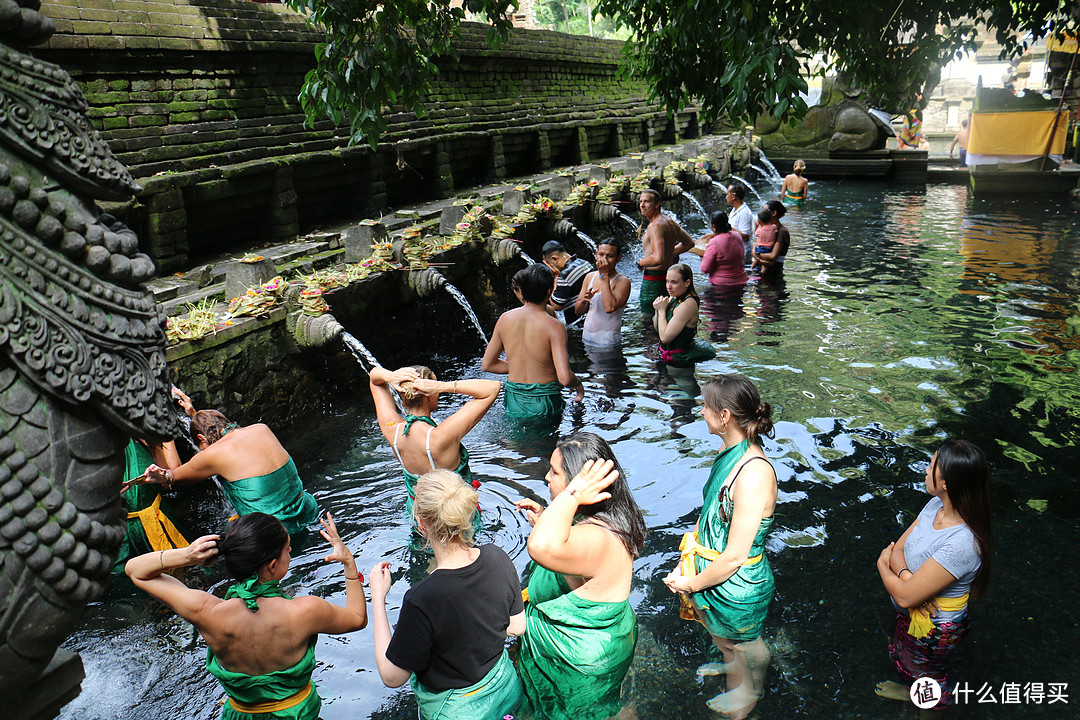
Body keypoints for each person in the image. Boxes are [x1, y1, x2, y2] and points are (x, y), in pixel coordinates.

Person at [125, 512, 368, 720]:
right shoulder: (307, 611)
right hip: (297, 714)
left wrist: (187, 556)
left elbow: (136, 571)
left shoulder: (206, 611)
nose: (290, 554)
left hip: (240, 714)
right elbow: (357, 618)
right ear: (273, 565)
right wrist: (348, 561)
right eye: (288, 550)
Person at [663, 374, 777, 718]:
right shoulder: (729, 450)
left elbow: (736, 555)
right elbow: (711, 510)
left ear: (724, 416)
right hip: (714, 569)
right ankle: (733, 666)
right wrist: (688, 560)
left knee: (743, 642)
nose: (701, 411)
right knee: (724, 640)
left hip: (738, 584)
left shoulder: (754, 473)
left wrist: (692, 583)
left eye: (706, 406)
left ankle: (749, 692)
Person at [369, 470, 525, 719]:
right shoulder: (498, 556)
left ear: (421, 524)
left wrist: (378, 597)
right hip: (506, 692)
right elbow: (517, 626)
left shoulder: (421, 598)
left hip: (458, 712)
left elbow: (392, 676)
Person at [514, 432, 647, 720]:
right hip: (600, 646)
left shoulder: (596, 538)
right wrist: (549, 518)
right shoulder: (608, 519)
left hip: (579, 661)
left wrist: (571, 495)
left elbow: (540, 547)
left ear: (579, 482)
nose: (547, 477)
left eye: (555, 472)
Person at [874, 439, 994, 711]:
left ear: (947, 483)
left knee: (928, 676)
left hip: (935, 627)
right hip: (918, 615)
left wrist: (883, 566)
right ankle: (912, 689)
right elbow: (899, 548)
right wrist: (907, 579)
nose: (926, 471)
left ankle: (929, 705)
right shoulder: (934, 507)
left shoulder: (961, 543)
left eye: (932, 466)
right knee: (908, 661)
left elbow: (904, 596)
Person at [368, 365, 499, 536]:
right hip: (455, 516)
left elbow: (375, 379)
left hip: (420, 517)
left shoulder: (393, 431)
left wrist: (391, 376)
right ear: (430, 394)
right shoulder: (441, 436)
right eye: (435, 388)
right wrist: (445, 386)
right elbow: (492, 387)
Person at [145, 410, 318, 535]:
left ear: (201, 439)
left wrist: (163, 437)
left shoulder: (213, 454)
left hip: (273, 532)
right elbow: (218, 435)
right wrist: (193, 414)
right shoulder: (261, 429)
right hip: (308, 511)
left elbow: (174, 475)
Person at [482, 263, 584, 422]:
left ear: (522, 291)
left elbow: (488, 364)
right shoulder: (555, 327)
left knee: (519, 444)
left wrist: (522, 365)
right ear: (549, 291)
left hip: (513, 398)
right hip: (544, 401)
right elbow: (564, 378)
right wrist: (578, 383)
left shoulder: (505, 319)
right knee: (547, 446)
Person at [115, 437, 190, 570]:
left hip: (158, 519)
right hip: (119, 533)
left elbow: (173, 474)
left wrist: (162, 476)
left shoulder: (141, 434)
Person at [636, 188, 694, 317]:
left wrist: (640, 262)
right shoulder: (669, 222)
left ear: (657, 204)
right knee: (664, 316)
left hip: (653, 281)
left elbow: (657, 258)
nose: (642, 205)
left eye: (646, 202)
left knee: (648, 320)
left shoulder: (655, 226)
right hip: (667, 279)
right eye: (641, 201)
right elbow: (689, 243)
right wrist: (669, 252)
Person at [653, 263, 716, 367]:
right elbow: (658, 330)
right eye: (667, 281)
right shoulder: (674, 298)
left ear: (687, 282)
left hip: (681, 360)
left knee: (684, 383)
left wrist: (661, 312)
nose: (669, 286)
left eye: (674, 282)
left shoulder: (687, 305)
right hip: (666, 356)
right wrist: (657, 309)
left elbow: (665, 338)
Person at [574, 239, 631, 347]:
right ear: (596, 255)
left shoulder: (623, 282)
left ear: (618, 258)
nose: (604, 260)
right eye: (601, 255)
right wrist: (584, 300)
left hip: (608, 341)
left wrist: (604, 276)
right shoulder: (589, 277)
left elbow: (609, 308)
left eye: (609, 256)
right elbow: (577, 311)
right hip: (587, 337)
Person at [542, 240, 594, 325]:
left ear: (554, 259)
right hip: (593, 314)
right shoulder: (584, 262)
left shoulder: (564, 276)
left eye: (547, 263)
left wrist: (556, 277)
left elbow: (556, 306)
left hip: (579, 323)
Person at [695, 211, 749, 288]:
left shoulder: (713, 243)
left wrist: (701, 256)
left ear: (713, 226)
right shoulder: (737, 236)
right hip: (742, 280)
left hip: (721, 286)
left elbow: (705, 269)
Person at [752, 200, 790, 275]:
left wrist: (758, 255)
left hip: (773, 273)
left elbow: (773, 256)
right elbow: (753, 249)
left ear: (774, 213)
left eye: (765, 210)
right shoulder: (764, 228)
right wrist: (760, 258)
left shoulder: (782, 232)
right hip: (761, 269)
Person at [725, 183, 754, 259]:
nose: (726, 197)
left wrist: (727, 228)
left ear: (733, 196)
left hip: (743, 252)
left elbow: (745, 236)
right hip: (735, 249)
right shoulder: (734, 209)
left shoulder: (744, 213)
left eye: (727, 194)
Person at [749, 207, 777, 273]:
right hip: (770, 248)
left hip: (761, 248)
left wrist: (756, 226)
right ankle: (761, 270)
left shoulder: (760, 230)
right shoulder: (774, 227)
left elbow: (756, 234)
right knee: (763, 263)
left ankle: (752, 268)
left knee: (756, 256)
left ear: (759, 221)